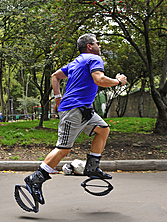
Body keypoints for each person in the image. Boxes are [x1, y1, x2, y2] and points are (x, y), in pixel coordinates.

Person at [23, 33, 127, 205]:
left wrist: (58, 97)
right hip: (73, 110)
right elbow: (99, 80)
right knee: (63, 148)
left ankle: (92, 167)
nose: (99, 46)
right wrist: (118, 81)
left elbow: (55, 76)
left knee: (103, 129)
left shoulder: (75, 62)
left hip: (85, 110)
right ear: (89, 46)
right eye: (97, 43)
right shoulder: (94, 59)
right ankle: (35, 179)